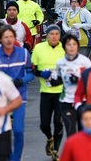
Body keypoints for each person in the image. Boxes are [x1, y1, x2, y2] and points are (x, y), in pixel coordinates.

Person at [0, 25, 35, 161]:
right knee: (3, 132)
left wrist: (21, 81)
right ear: (0, 39)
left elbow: (31, 73)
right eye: (6, 37)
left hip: (19, 98)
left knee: (18, 130)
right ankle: (8, 156)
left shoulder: (23, 53)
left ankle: (16, 158)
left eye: (11, 36)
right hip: (1, 99)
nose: (9, 40)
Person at [31, 24, 65, 160]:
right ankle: (50, 138)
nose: (54, 36)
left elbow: (72, 68)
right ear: (47, 36)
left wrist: (62, 79)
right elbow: (33, 69)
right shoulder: (39, 48)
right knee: (44, 124)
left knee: (58, 122)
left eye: (57, 34)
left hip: (61, 93)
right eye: (52, 34)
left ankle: (56, 150)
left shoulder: (65, 48)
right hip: (45, 92)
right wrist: (41, 73)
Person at [56, 34, 91, 137]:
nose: (71, 47)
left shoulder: (85, 61)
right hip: (66, 101)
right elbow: (59, 78)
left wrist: (80, 80)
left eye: (74, 44)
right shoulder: (60, 63)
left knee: (83, 133)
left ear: (78, 46)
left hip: (83, 101)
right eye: (68, 44)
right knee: (71, 134)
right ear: (64, 47)